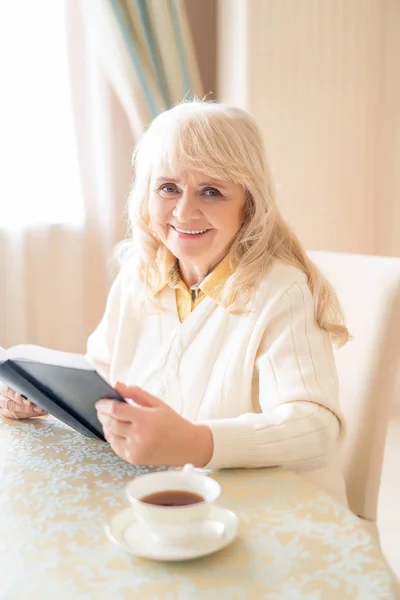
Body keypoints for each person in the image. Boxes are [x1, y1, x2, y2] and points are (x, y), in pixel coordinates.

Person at [0, 100, 349, 505]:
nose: (185, 211)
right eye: (168, 188)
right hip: (167, 498)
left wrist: (198, 442)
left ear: (249, 205)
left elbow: (315, 425)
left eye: (212, 191)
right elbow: (102, 373)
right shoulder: (139, 274)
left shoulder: (280, 291)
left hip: (260, 507)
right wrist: (43, 398)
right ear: (147, 197)